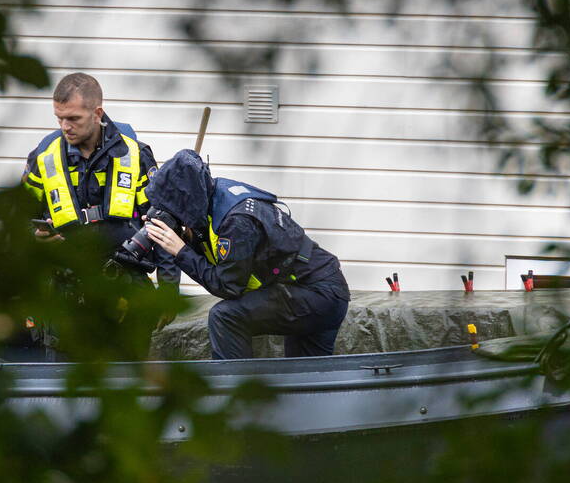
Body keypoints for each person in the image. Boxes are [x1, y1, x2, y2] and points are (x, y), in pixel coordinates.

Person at [144, 149, 350, 359]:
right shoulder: (213, 196)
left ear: (186, 198)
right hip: (318, 288)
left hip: (314, 291)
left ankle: (233, 388)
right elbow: (221, 256)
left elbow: (228, 285)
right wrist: (184, 237)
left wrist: (181, 251)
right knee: (306, 377)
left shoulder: (236, 221)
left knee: (225, 317)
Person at [21, 72, 179, 288]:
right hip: (64, 286)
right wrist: (35, 236)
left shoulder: (135, 155)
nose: (65, 127)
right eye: (60, 118)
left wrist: (168, 290)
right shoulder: (43, 158)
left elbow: (162, 224)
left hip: (126, 282)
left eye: (74, 118)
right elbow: (19, 219)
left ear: (97, 113)